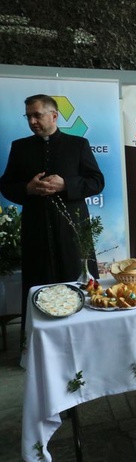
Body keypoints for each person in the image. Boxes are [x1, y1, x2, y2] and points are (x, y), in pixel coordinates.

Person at [0, 94, 104, 339]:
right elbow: (5, 185)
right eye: (29, 116)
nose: (32, 121)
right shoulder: (20, 147)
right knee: (39, 282)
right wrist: (27, 189)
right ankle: (36, 345)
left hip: (73, 230)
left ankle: (87, 339)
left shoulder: (78, 144)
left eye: (37, 115)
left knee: (77, 280)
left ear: (54, 116)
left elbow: (97, 181)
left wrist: (66, 184)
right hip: (36, 228)